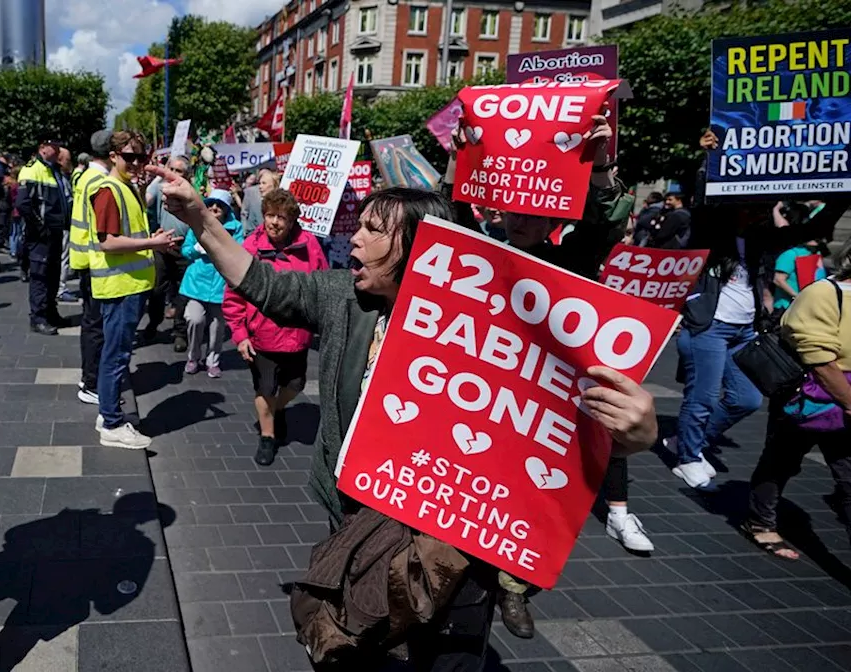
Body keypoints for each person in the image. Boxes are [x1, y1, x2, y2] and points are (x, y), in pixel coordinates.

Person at [148, 161, 658, 668]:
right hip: (357, 520)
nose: (354, 240)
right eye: (360, 225)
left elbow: (554, 423)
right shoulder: (346, 299)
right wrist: (199, 219)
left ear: (421, 249)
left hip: (456, 545)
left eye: (374, 230)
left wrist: (634, 434)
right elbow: (261, 281)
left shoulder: (489, 324)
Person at [450, 114, 649, 639]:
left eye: (533, 216)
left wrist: (601, 164)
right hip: (478, 391)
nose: (520, 223)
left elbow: (604, 226)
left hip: (541, 401)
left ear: (552, 223)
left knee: (532, 497)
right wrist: (460, 159)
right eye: (512, 213)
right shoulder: (480, 250)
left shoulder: (571, 260)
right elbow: (443, 226)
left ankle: (514, 588)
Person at [669, 133, 847, 492]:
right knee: (702, 397)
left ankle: (687, 440)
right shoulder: (711, 232)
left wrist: (842, 192)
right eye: (750, 205)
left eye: (761, 207)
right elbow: (704, 203)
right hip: (709, 326)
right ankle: (686, 456)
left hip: (744, 331)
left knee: (746, 399)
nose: (756, 212)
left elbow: (814, 229)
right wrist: (709, 160)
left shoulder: (760, 240)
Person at [745, 246, 851, 560]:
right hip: (810, 396)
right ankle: (759, 522)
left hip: (841, 399)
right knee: (781, 461)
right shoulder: (824, 293)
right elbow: (820, 360)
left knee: (847, 477)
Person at [223, 188, 327, 467]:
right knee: (265, 388)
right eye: (270, 215)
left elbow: (322, 286)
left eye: (282, 217)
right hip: (262, 335)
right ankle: (267, 437)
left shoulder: (310, 246)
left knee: (296, 384)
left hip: (297, 335)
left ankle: (278, 409)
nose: (275, 223)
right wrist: (240, 335)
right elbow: (234, 295)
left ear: (292, 221)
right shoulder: (250, 247)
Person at [91, 131, 179, 449]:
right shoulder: (110, 190)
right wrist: (152, 242)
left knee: (115, 355)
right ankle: (112, 423)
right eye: (128, 157)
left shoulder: (125, 188)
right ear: (113, 155)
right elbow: (107, 241)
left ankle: (108, 414)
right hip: (120, 287)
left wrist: (151, 236)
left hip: (127, 286)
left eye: (140, 157)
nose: (135, 163)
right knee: (116, 356)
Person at [180, 189, 244, 379]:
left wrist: (219, 249)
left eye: (220, 206)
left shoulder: (235, 228)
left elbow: (238, 251)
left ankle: (213, 361)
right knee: (194, 319)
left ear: (226, 209)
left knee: (217, 327)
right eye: (211, 205)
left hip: (221, 284)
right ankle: (193, 357)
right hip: (197, 283)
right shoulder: (196, 225)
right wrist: (196, 249)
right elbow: (185, 251)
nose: (215, 208)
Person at [70, 130, 113, 406]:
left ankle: (89, 377)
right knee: (96, 326)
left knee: (91, 323)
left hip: (84, 258)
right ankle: (92, 382)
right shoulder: (99, 181)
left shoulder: (87, 175)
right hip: (95, 261)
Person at [18, 139, 71, 334]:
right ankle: (38, 318)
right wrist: (40, 228)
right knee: (40, 276)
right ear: (42, 148)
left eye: (59, 147)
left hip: (56, 233)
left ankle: (50, 312)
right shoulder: (32, 169)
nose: (57, 151)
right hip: (41, 236)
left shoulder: (53, 169)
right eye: (54, 147)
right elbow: (23, 204)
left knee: (53, 275)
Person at [142, 154, 193, 350]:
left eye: (179, 171)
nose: (174, 175)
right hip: (163, 248)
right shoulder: (160, 189)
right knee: (156, 290)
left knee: (182, 294)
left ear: (187, 176)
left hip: (184, 251)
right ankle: (154, 323)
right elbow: (147, 205)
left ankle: (180, 332)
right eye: (172, 170)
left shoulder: (192, 194)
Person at [772, 202, 828, 314]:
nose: (818, 238)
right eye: (813, 235)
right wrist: (798, 296)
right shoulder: (790, 254)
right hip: (788, 307)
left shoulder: (814, 253)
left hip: (809, 305)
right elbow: (778, 280)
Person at [57, 146, 78, 303]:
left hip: (65, 223)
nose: (70, 163)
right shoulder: (60, 177)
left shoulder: (63, 176)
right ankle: (61, 289)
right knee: (63, 258)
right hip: (62, 224)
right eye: (67, 160)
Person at [239, 167, 278, 234]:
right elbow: (244, 214)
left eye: (264, 183)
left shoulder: (280, 205)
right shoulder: (255, 199)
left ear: (273, 185)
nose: (260, 186)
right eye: (260, 183)